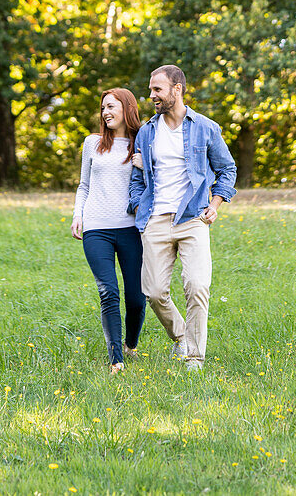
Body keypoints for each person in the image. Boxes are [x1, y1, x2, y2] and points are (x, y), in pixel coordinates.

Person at [129, 64, 237, 372]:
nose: (152, 95)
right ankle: (181, 337)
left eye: (158, 89)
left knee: (197, 285)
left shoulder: (204, 127)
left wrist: (215, 204)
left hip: (193, 219)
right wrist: (139, 207)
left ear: (177, 89)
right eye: (151, 90)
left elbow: (227, 169)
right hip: (155, 220)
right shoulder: (147, 132)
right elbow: (138, 179)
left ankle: (194, 359)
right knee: (153, 291)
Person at [71, 87, 147, 374]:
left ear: (127, 108)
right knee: (108, 292)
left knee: (137, 299)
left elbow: (159, 179)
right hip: (97, 229)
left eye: (111, 106)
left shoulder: (142, 142)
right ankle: (116, 358)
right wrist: (78, 215)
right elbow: (84, 186)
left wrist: (145, 165)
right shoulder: (92, 143)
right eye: (103, 107)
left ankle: (130, 343)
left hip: (131, 230)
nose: (106, 112)